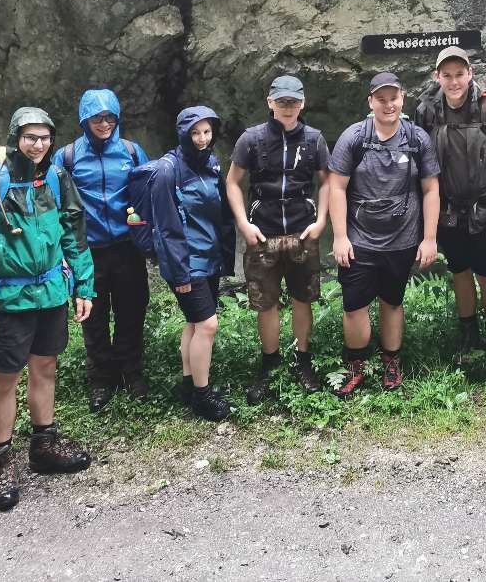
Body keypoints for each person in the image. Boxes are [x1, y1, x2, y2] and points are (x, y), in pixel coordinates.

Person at [0, 107, 96, 511]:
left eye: (45, 137)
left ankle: (43, 445)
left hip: (49, 294)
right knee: (5, 379)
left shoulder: (57, 179)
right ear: (15, 138)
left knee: (45, 366)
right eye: (30, 137)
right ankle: (2, 459)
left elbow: (74, 235)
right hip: (7, 300)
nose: (39, 144)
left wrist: (84, 284)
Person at [328, 72, 440, 397]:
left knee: (392, 302)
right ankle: (357, 366)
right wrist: (339, 236)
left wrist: (429, 238)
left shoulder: (417, 138)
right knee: (354, 306)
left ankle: (391, 362)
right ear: (371, 102)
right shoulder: (354, 138)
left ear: (402, 99)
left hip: (402, 239)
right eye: (381, 98)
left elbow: (431, 189)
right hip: (359, 240)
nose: (388, 104)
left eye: (394, 98)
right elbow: (336, 187)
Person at [226, 75, 330, 403]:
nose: (288, 108)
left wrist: (321, 221)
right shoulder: (251, 139)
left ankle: (303, 359)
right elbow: (232, 182)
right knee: (265, 303)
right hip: (263, 233)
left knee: (303, 298)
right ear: (270, 102)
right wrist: (244, 223)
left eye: (294, 102)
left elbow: (327, 181)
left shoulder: (314, 139)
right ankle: (270, 362)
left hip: (302, 232)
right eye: (282, 102)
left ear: (303, 103)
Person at [414, 46, 486, 370]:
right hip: (447, 211)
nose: (454, 81)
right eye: (447, 75)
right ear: (437, 77)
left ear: (470, 74)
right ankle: (469, 336)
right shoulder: (427, 110)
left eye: (460, 74)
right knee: (460, 273)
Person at [59, 88, 151, 412]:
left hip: (127, 247)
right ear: (85, 119)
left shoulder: (131, 151)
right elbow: (54, 202)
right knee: (93, 316)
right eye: (97, 117)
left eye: (110, 117)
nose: (104, 123)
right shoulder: (68, 157)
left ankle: (131, 371)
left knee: (131, 310)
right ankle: (101, 378)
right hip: (88, 251)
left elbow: (149, 190)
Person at [149, 106, 236, 421]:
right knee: (208, 325)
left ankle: (189, 384)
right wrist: (180, 271)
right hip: (185, 262)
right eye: (195, 132)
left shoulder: (210, 164)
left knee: (194, 322)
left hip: (208, 257)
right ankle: (202, 395)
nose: (202, 139)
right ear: (183, 133)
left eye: (207, 132)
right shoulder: (167, 170)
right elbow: (166, 226)